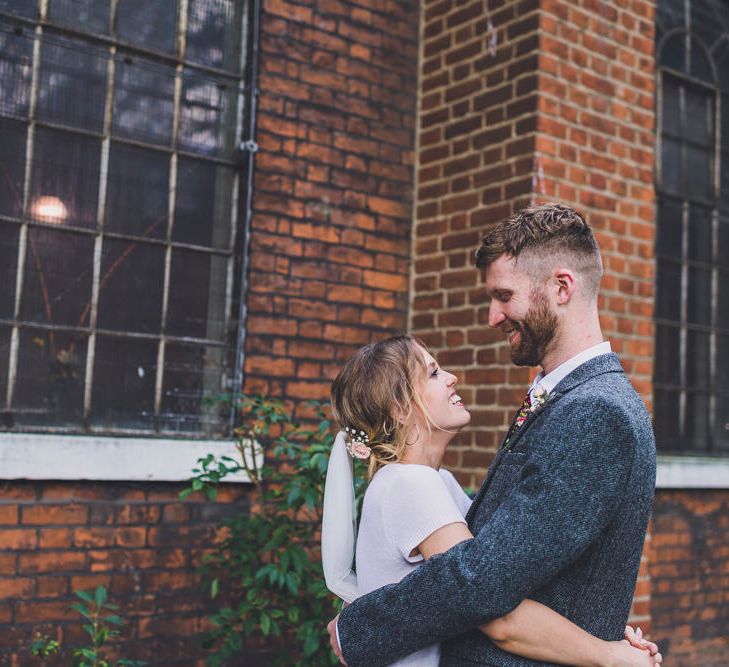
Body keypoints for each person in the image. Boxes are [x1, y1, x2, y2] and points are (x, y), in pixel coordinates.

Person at [325, 203, 658, 666]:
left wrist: (357, 628)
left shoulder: (594, 411)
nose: (492, 317)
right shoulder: (569, 399)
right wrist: (601, 639)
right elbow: (524, 563)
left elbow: (480, 580)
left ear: (562, 287)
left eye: (504, 296)